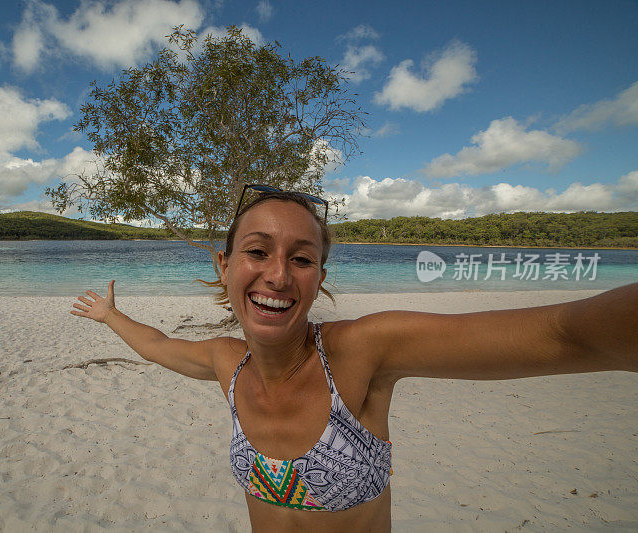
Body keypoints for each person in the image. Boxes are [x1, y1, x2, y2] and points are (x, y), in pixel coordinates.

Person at [71, 187, 638, 532]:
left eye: (302, 258)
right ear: (224, 265)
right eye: (257, 251)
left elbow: (565, 335)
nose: (277, 275)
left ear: (319, 276)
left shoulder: (364, 351)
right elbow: (159, 346)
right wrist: (109, 316)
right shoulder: (228, 364)